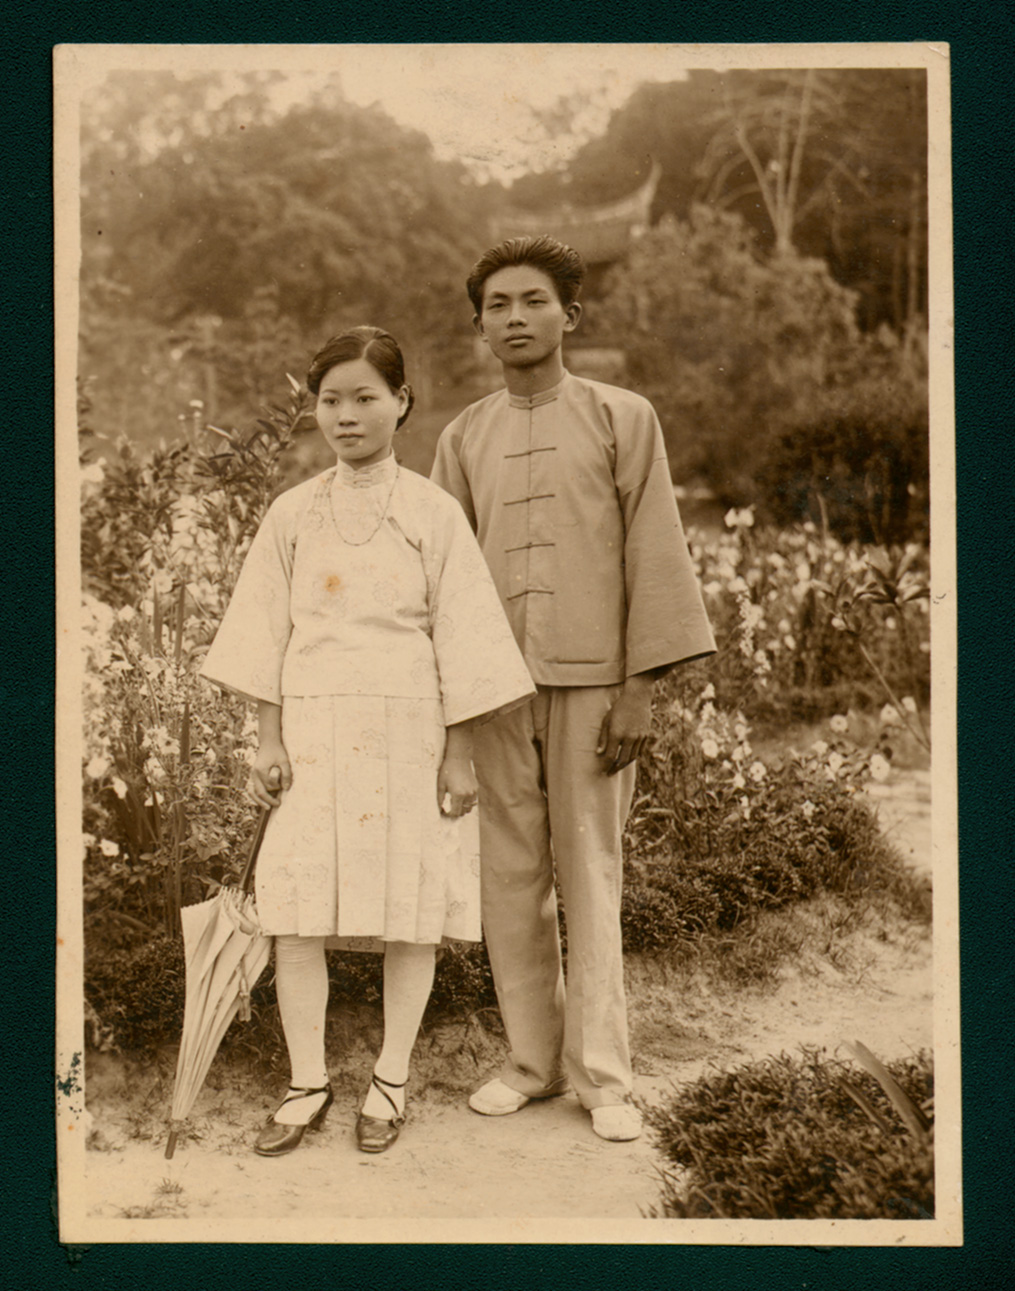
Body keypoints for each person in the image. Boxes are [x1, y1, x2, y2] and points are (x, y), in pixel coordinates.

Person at [200, 325, 534, 1157]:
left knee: (408, 912)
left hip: (409, 731)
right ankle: (306, 1081)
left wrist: (458, 752)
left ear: (401, 402)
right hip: (312, 729)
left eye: (364, 398)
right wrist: (266, 739)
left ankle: (390, 1078)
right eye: (329, 400)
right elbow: (263, 634)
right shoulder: (291, 512)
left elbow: (462, 639)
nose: (345, 416)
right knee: (295, 911)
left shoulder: (432, 512)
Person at [431, 236, 716, 1142]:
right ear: (479, 325)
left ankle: (603, 1077)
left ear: (570, 316)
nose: (515, 318)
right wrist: (454, 708)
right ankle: (531, 1062)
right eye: (497, 305)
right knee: (509, 877)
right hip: (493, 695)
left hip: (596, 690)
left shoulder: (621, 417)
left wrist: (638, 692)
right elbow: (440, 580)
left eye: (533, 301)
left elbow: (654, 554)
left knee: (590, 874)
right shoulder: (461, 436)